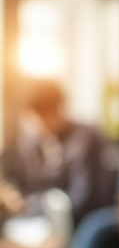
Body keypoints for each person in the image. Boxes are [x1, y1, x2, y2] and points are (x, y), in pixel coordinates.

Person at [0, 80, 109, 225]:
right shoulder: (30, 141)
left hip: (78, 223)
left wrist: (31, 205)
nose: (36, 126)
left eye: (41, 119)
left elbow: (82, 198)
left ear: (58, 110)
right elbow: (22, 184)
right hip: (37, 222)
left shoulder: (85, 140)